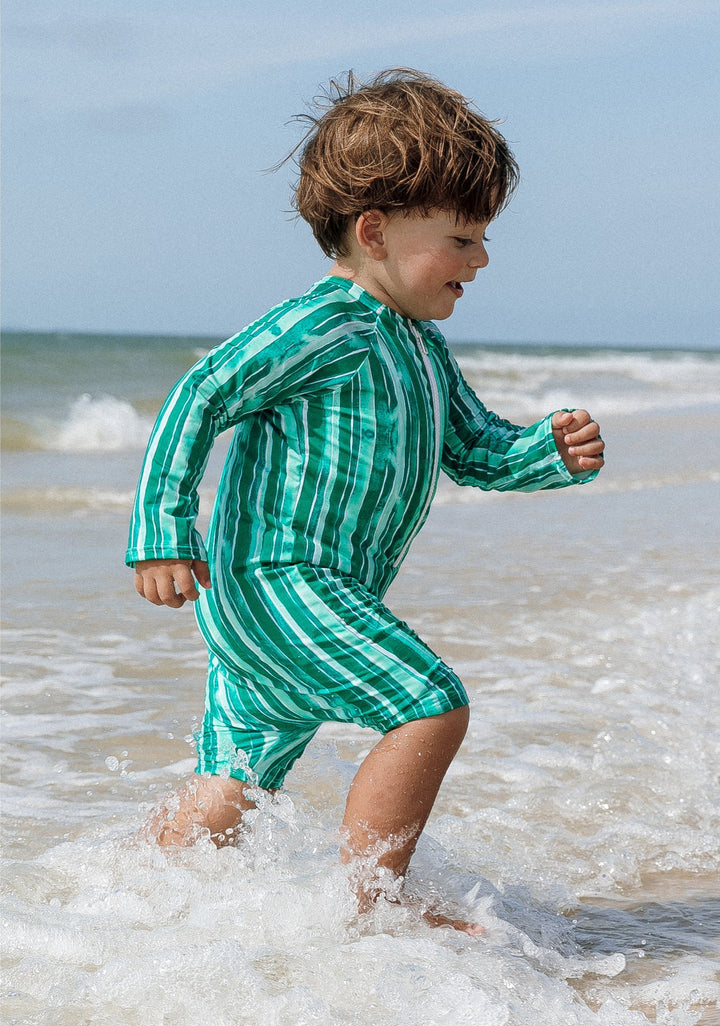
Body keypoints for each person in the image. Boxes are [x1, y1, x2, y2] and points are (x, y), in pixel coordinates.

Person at [126, 69, 604, 931]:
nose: (482, 259)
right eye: (461, 237)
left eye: (484, 237)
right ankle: (367, 909)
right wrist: (163, 525)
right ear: (374, 230)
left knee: (228, 789)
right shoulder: (323, 327)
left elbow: (477, 452)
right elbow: (199, 394)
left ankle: (118, 908)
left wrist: (546, 454)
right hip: (281, 580)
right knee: (428, 704)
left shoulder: (420, 348)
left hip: (309, 598)